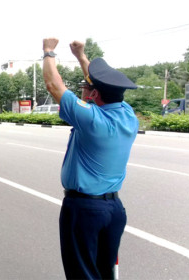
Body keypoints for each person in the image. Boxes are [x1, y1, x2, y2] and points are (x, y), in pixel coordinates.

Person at [42, 38, 138, 279]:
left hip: (85, 210)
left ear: (94, 94)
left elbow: (54, 85)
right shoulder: (127, 115)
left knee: (82, 273)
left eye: (85, 88)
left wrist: (49, 52)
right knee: (105, 272)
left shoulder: (94, 120)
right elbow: (101, 86)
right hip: (114, 210)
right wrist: (81, 56)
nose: (82, 91)